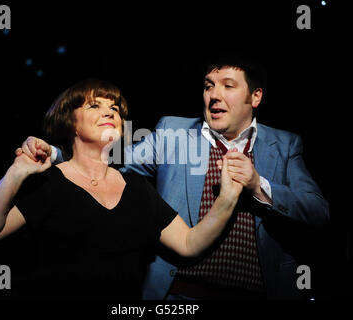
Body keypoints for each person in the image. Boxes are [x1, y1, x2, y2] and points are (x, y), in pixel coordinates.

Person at [21, 53, 329, 300]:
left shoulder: (285, 145)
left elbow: (318, 212)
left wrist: (258, 185)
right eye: (209, 85)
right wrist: (54, 154)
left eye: (228, 86)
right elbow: (111, 159)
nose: (214, 95)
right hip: (180, 295)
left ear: (256, 96)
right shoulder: (172, 132)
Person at [0, 78, 244, 300]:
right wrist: (16, 173)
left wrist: (229, 197)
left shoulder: (138, 188)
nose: (109, 111)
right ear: (70, 122)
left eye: (114, 107)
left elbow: (188, 244)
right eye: (93, 106)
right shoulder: (50, 181)